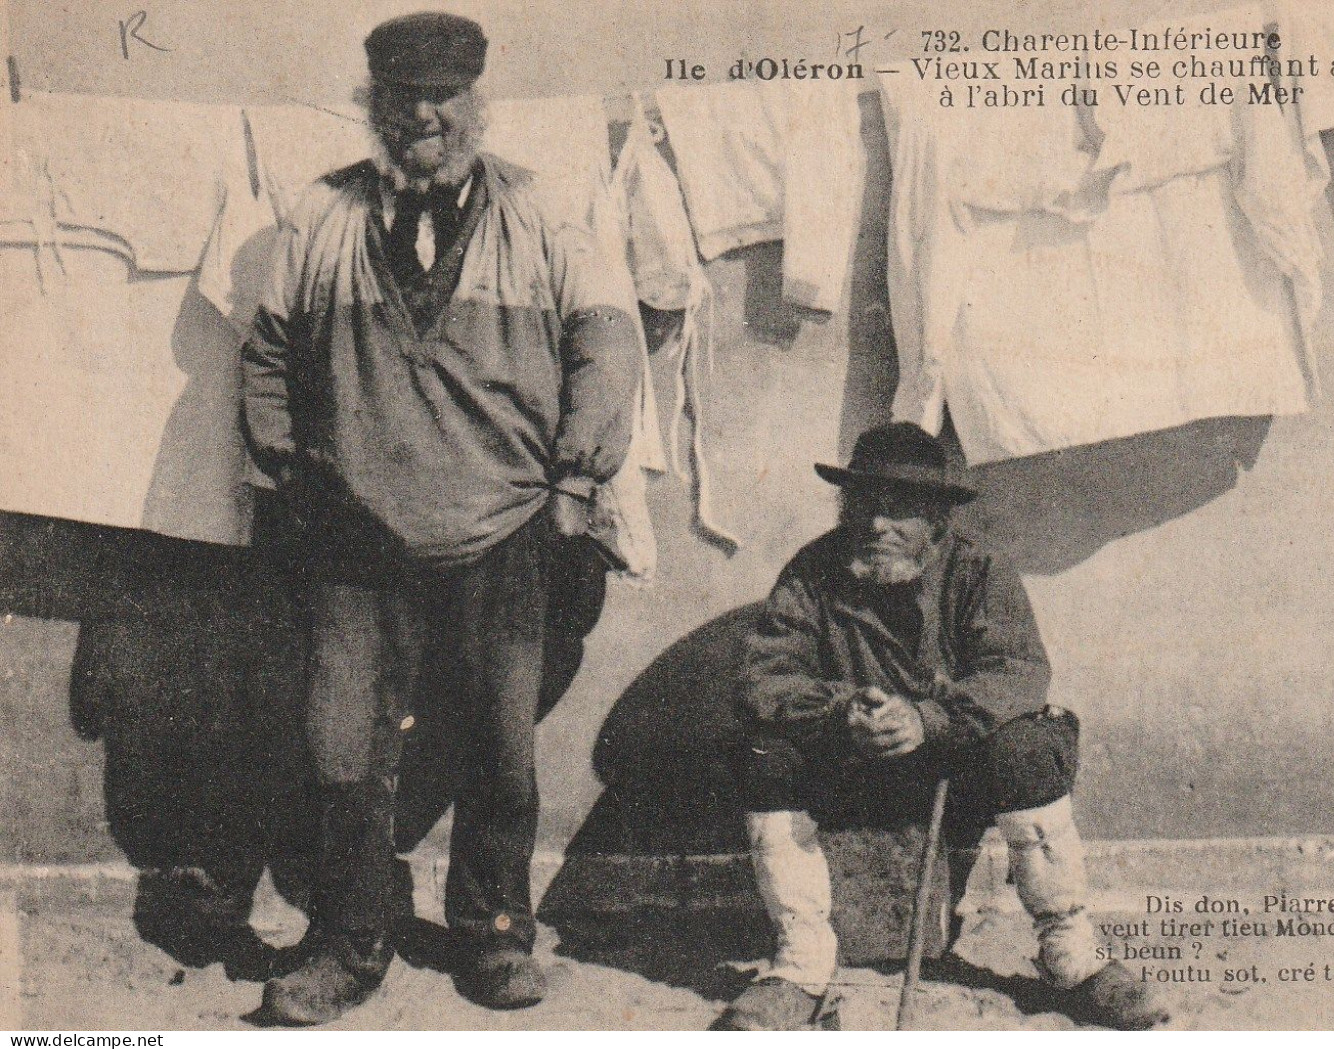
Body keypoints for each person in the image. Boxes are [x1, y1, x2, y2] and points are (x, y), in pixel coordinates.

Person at [240, 11, 641, 1025]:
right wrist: (296, 479)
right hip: (349, 538)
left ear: (476, 103)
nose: (424, 116)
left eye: (443, 97)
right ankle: (347, 940)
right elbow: (266, 361)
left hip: (502, 528)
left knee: (498, 745)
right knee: (342, 749)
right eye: (403, 97)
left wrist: (572, 484)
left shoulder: (541, 215)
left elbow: (606, 346)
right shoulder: (318, 218)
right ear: (374, 106)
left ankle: (494, 934)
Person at [717, 422, 1169, 1031]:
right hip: (851, 759)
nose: (878, 525)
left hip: (958, 764)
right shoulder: (813, 571)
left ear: (936, 519)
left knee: (1032, 746)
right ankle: (799, 966)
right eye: (864, 505)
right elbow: (765, 676)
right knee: (763, 753)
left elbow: (1017, 671)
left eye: (900, 509)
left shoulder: (977, 572)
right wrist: (841, 711)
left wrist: (928, 720)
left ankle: (1073, 955)